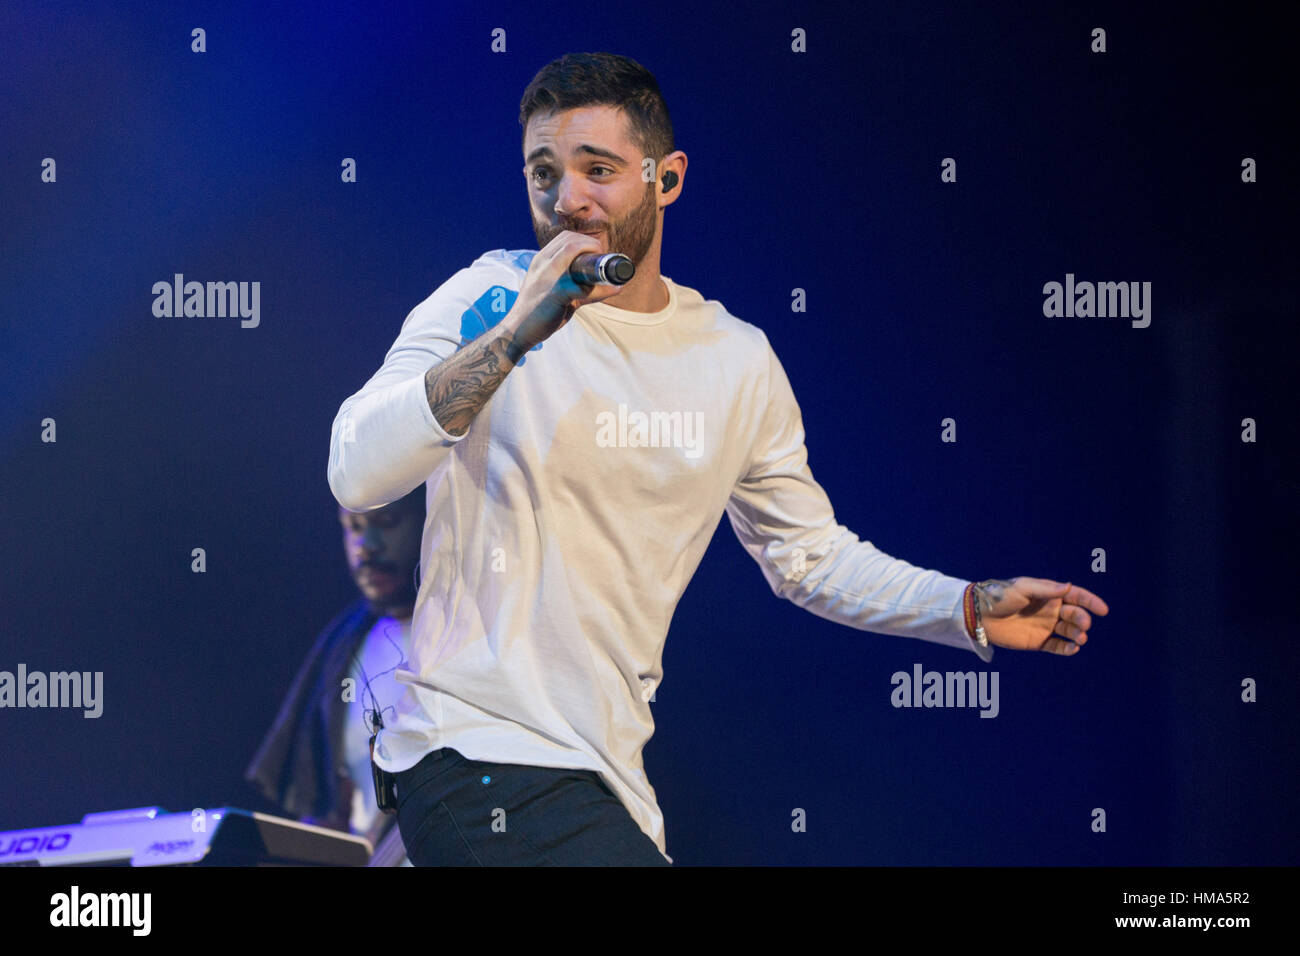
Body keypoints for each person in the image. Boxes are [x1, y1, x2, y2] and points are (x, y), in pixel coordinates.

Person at [327, 52, 1109, 866]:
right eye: (544, 172)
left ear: (667, 179)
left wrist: (967, 607)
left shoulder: (734, 360)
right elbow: (357, 466)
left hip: (607, 775)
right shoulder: (486, 296)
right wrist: (514, 336)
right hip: (473, 751)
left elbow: (809, 557)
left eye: (599, 169)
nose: (568, 198)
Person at [244, 487, 425, 866]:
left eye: (388, 523)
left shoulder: (466, 630)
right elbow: (329, 804)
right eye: (354, 527)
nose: (367, 545)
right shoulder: (342, 646)